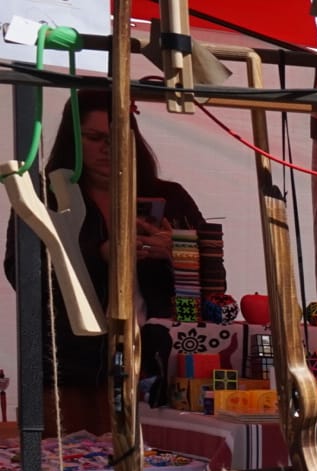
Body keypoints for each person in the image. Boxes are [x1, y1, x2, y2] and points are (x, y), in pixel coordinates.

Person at [4, 90, 205, 436]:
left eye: (118, 138)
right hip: (69, 372)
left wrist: (180, 254)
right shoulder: (43, 195)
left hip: (158, 367)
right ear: (73, 141)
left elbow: (213, 285)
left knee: (155, 470)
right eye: (95, 138)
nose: (108, 149)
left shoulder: (171, 197)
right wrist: (99, 255)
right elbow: (22, 274)